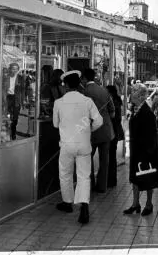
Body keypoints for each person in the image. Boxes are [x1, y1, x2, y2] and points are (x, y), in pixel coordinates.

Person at [53, 70, 103, 224]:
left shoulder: (59, 103)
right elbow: (99, 121)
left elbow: (55, 124)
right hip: (83, 145)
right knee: (83, 176)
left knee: (65, 174)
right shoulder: (87, 101)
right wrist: (87, 130)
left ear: (65, 85)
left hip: (67, 145)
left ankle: (67, 203)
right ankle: (84, 208)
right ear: (79, 84)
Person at [124, 83, 158, 216]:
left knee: (148, 178)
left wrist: (148, 153)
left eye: (134, 92)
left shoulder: (147, 113)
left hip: (146, 152)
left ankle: (149, 204)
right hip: (136, 151)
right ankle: (135, 204)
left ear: (141, 96)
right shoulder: (135, 109)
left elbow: (151, 135)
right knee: (135, 177)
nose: (131, 95)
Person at [82, 68, 115, 193]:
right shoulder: (104, 90)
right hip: (106, 130)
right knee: (104, 160)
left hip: (90, 131)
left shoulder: (84, 92)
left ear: (84, 78)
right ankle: (102, 186)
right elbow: (112, 112)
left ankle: (89, 185)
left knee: (86, 159)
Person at [106, 85, 125, 187]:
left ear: (110, 93)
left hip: (112, 132)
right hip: (115, 132)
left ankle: (110, 180)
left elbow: (114, 118)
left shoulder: (113, 103)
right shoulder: (117, 101)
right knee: (112, 156)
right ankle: (112, 180)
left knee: (110, 156)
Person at [4, 63, 24, 140]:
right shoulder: (6, 77)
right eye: (13, 68)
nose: (14, 70)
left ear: (18, 70)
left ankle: (13, 131)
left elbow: (23, 90)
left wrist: (22, 101)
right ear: (10, 69)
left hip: (16, 98)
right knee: (7, 115)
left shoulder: (20, 78)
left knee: (15, 117)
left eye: (16, 69)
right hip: (8, 97)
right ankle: (7, 131)